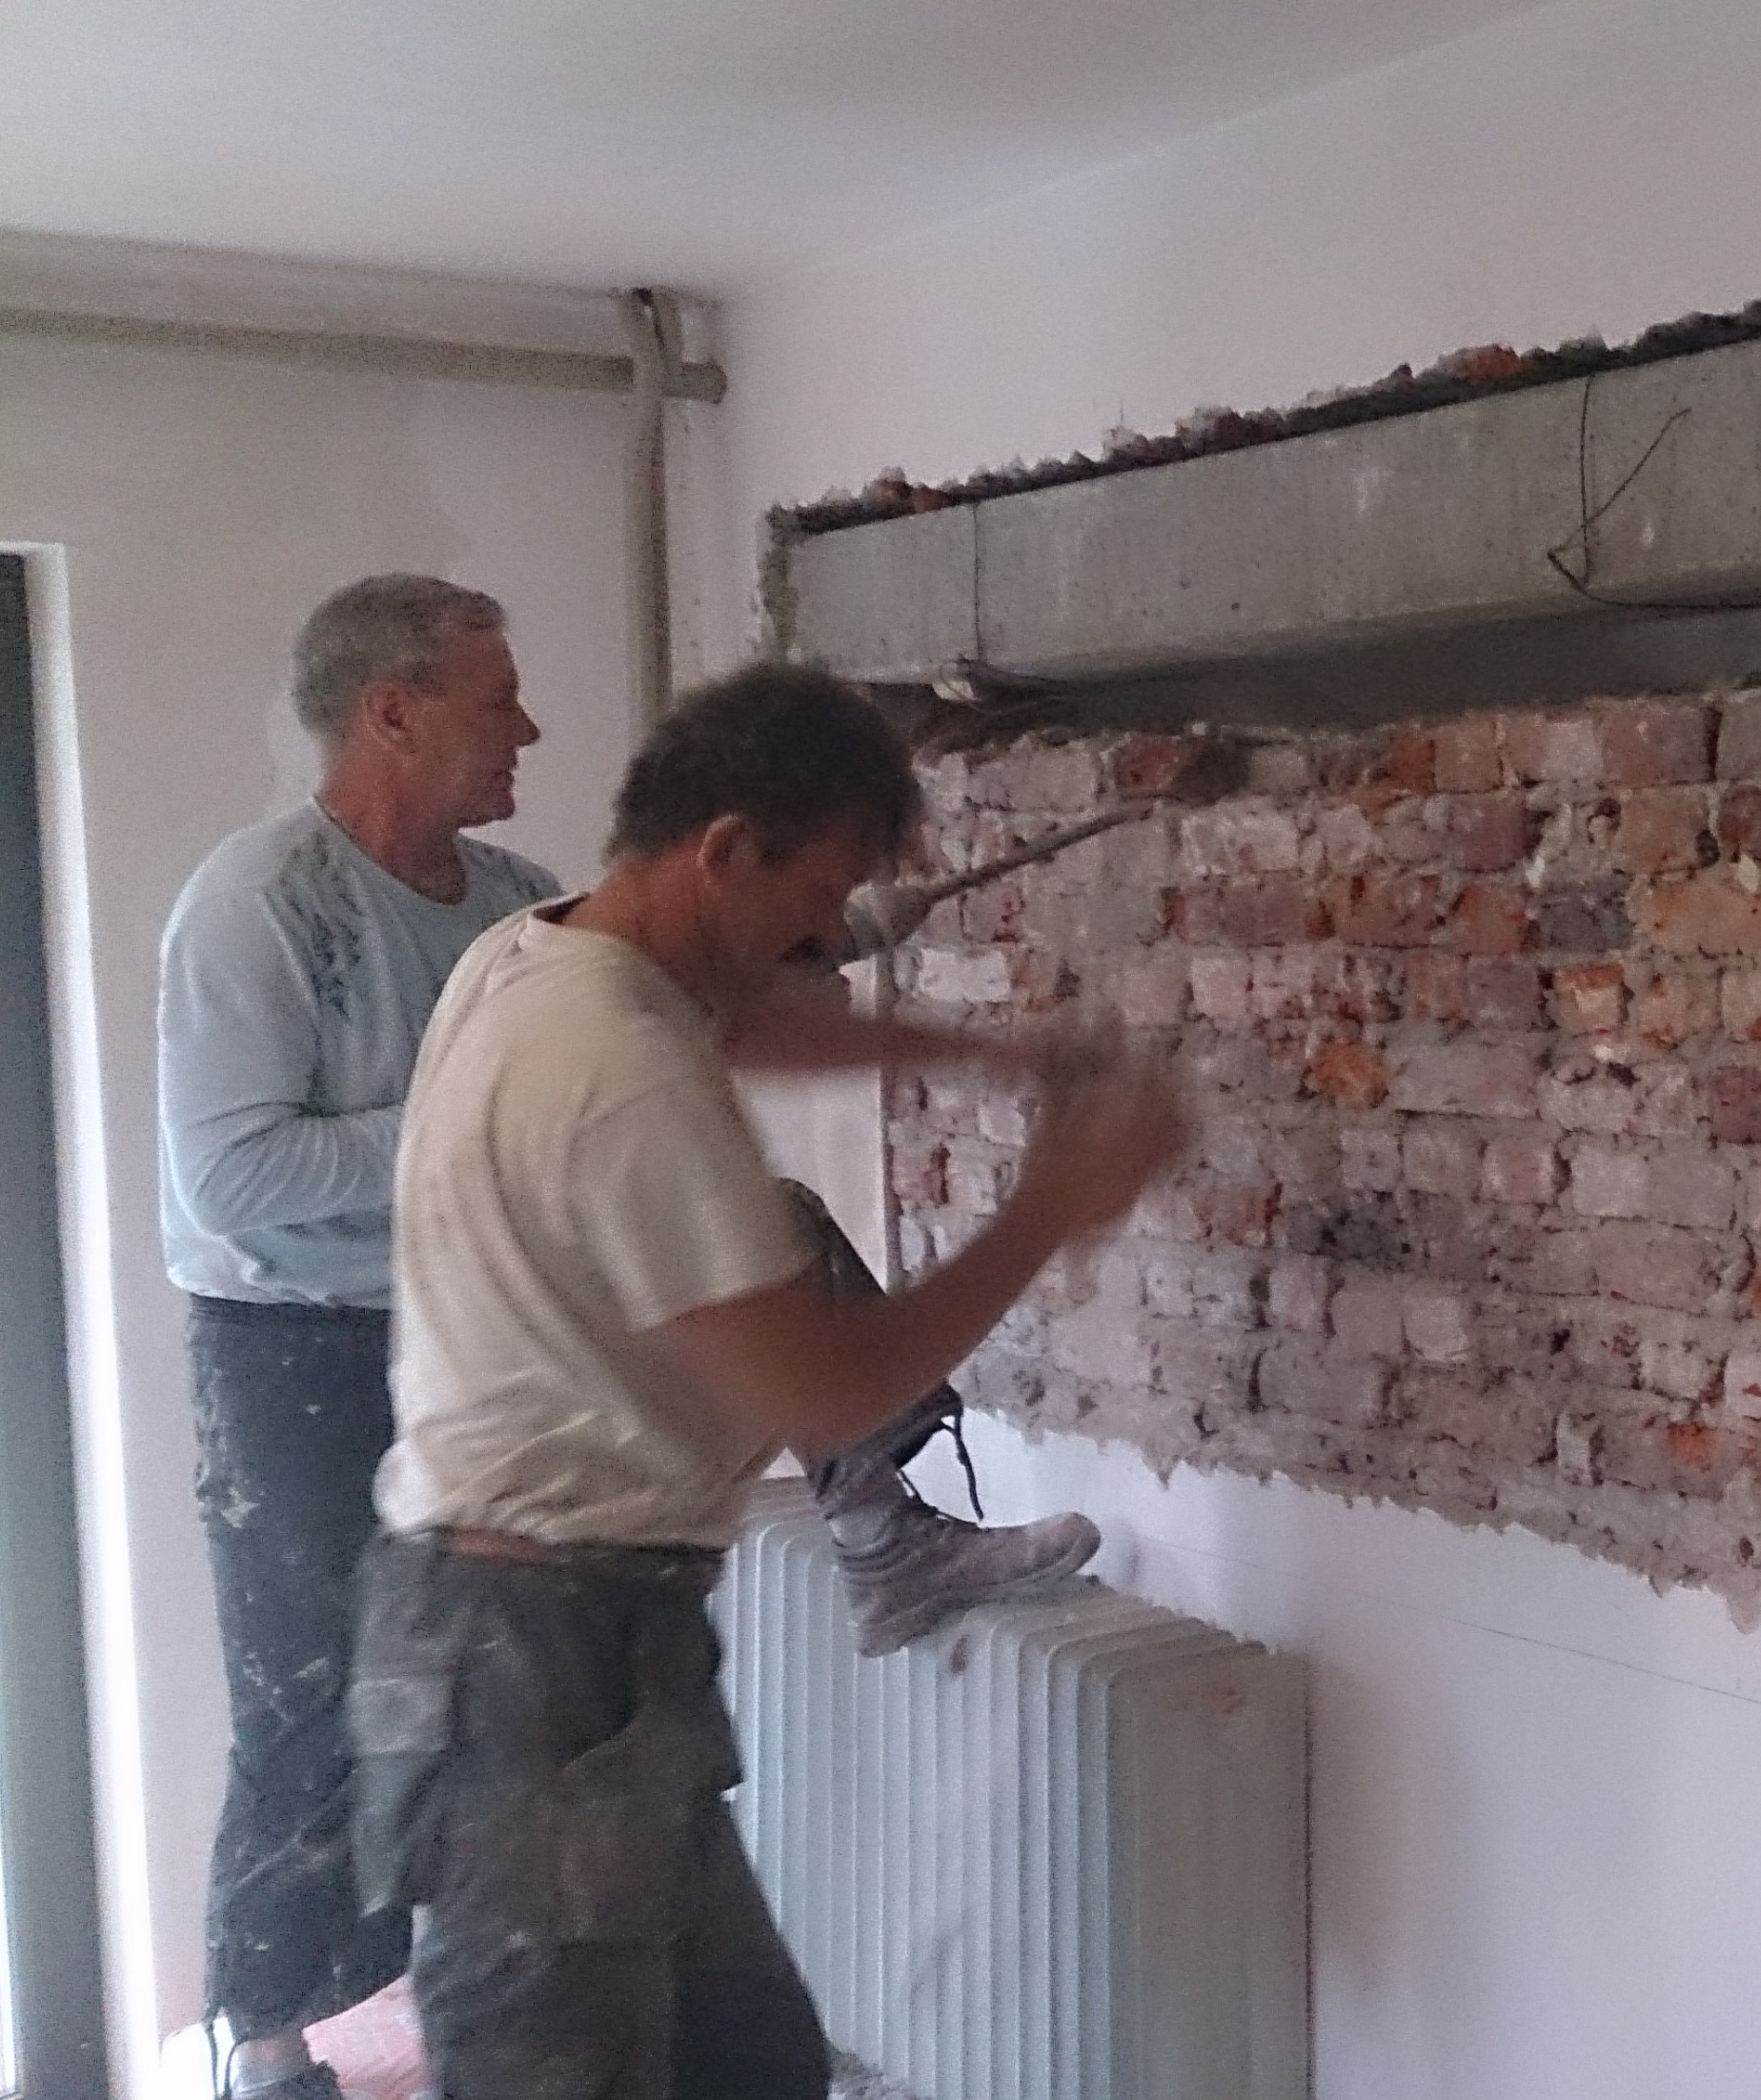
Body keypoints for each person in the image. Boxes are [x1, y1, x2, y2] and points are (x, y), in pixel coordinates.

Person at [344, 662, 1188, 2097]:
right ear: (727, 850)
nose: (832, 936)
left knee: (752, 2066)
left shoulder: (546, 957)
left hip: (562, 1644)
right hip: (534, 1668)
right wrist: (1051, 1204)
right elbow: (830, 1396)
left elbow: (757, 1021)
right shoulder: (621, 1072)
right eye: (822, 894)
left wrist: (998, 1055)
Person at [158, 575, 555, 2100]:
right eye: (496, 697)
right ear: (394, 711)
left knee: (483, 1692)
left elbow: (610, 1043)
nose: (527, 728)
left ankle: (453, 2016)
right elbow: (233, 1176)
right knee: (308, 1706)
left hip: (471, 1328)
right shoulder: (262, 904)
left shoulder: (521, 904)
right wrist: (470, 1116)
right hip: (290, 1356)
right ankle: (267, 2055)